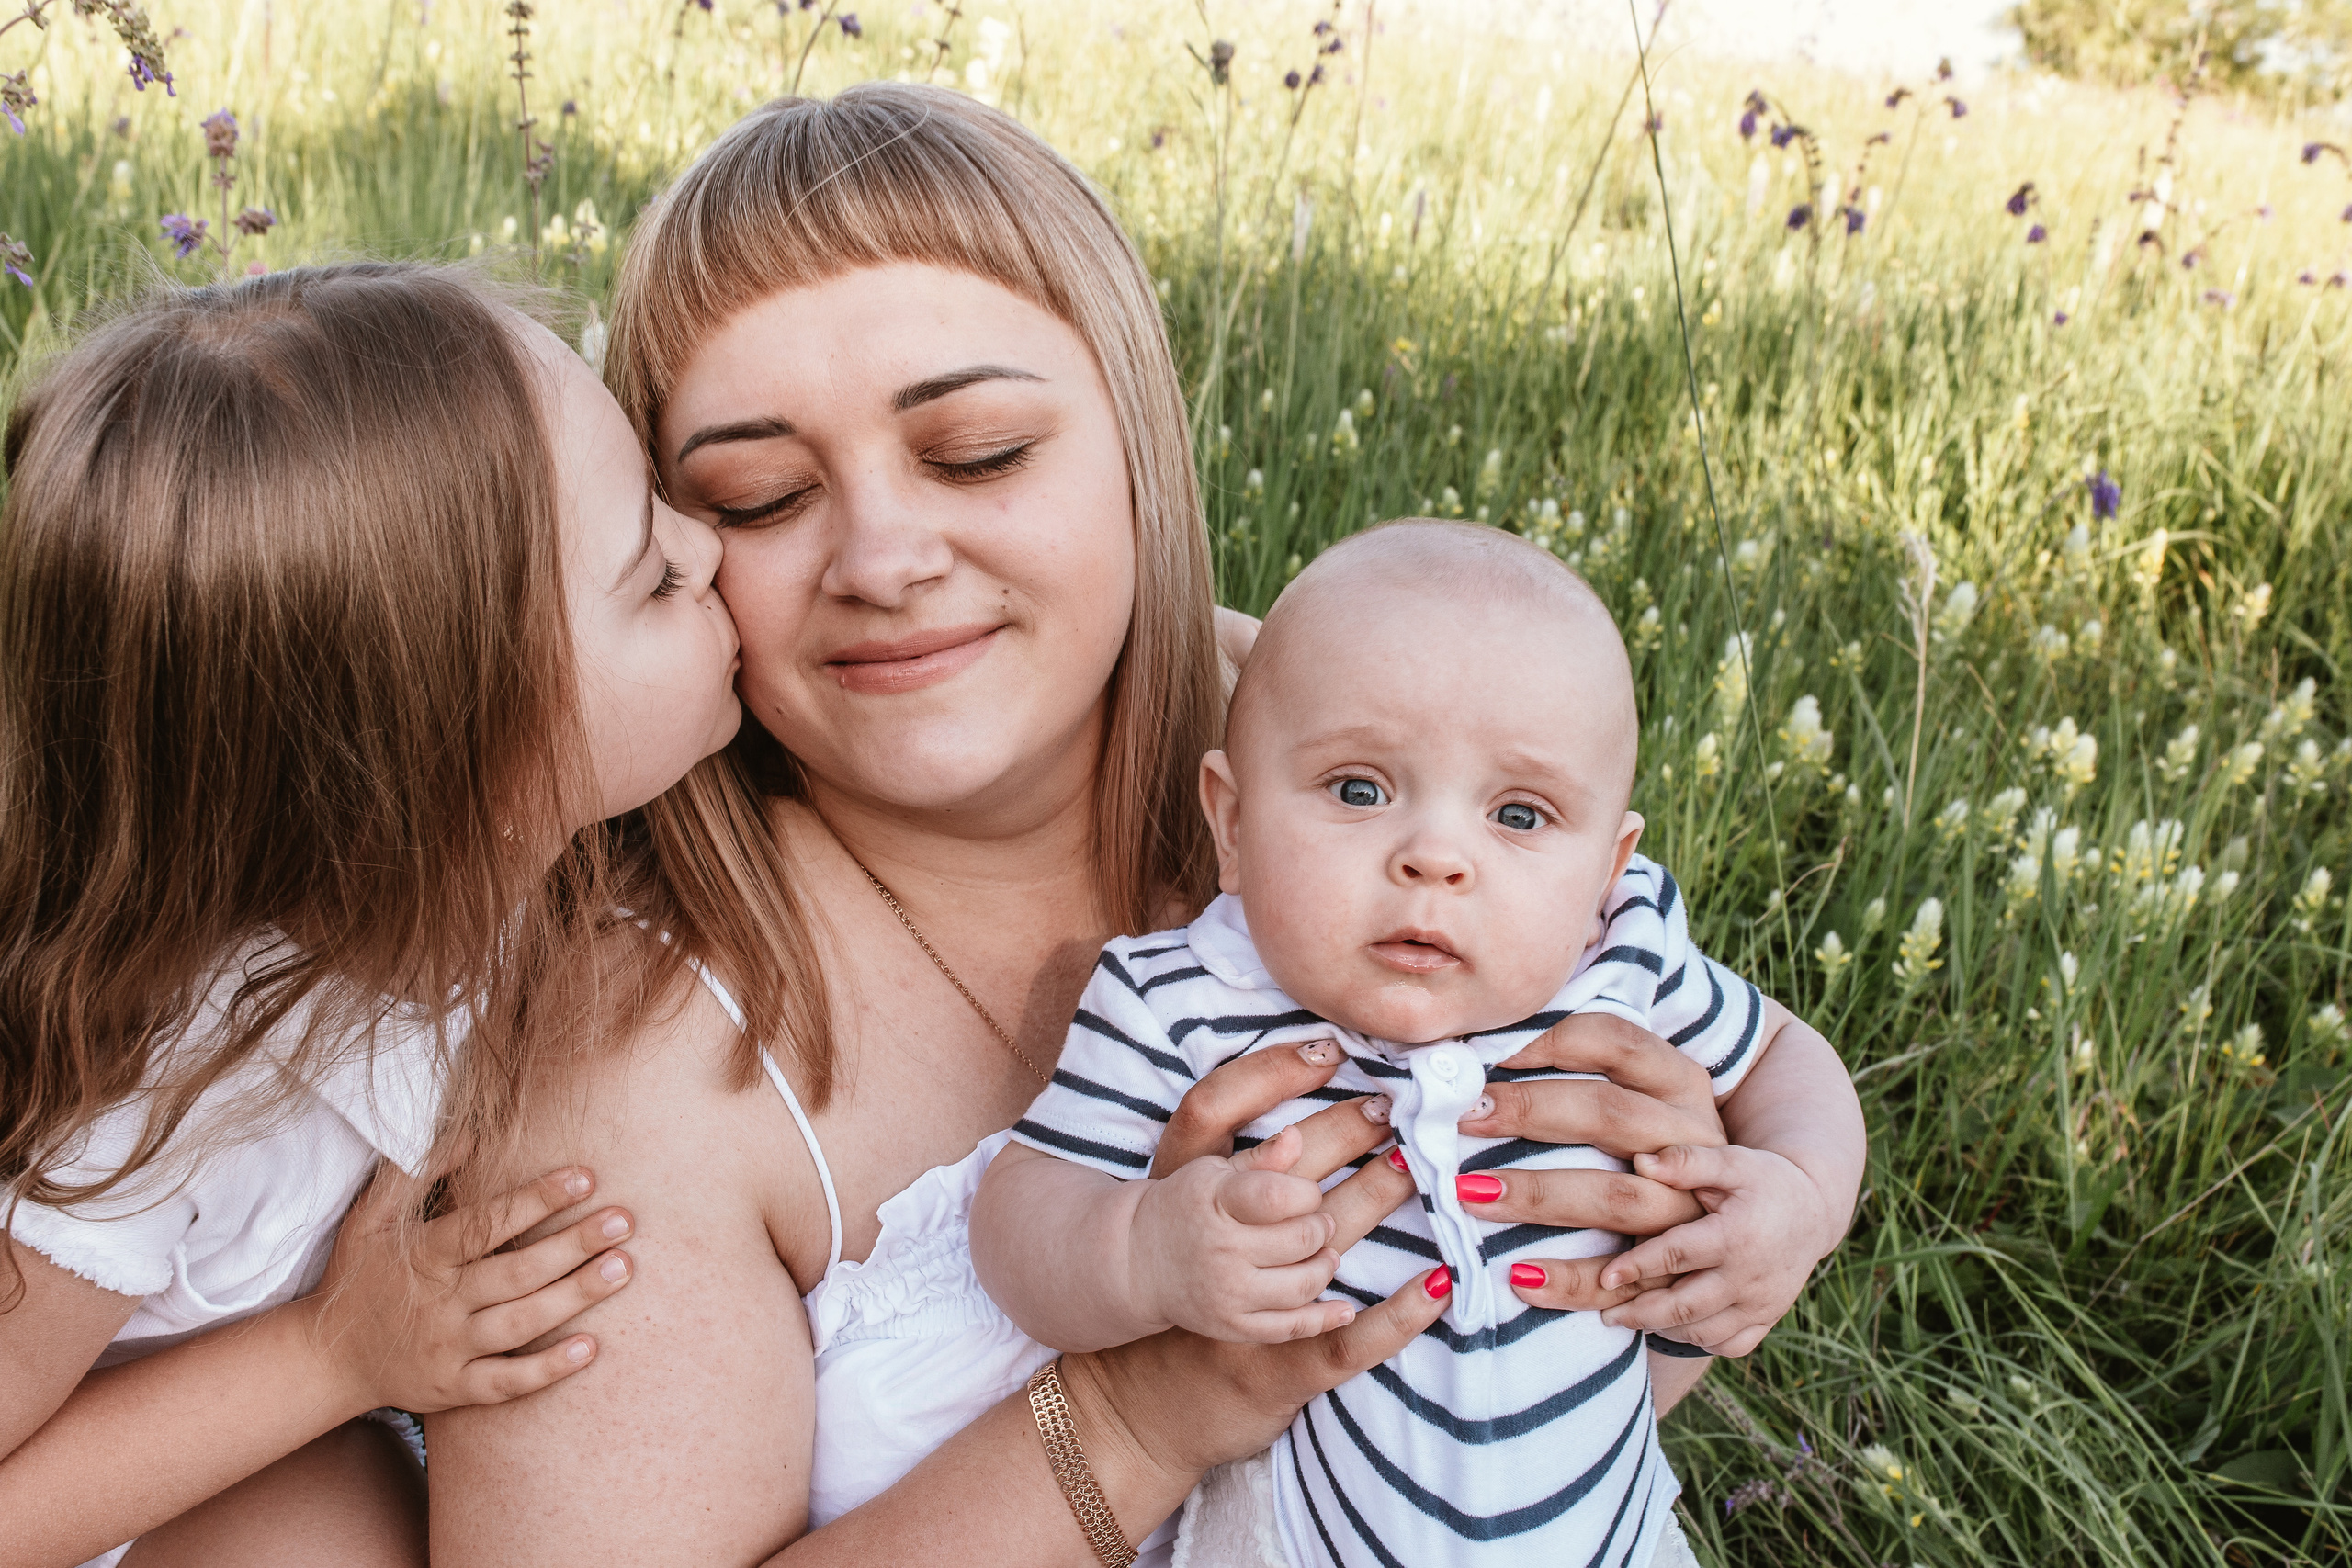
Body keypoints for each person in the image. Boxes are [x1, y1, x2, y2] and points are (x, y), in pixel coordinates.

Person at [426, 84, 1864, 1568]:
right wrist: (1147, 1412)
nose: (883, 558)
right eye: (764, 494)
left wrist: (1696, 1242)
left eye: (977, 451)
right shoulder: (629, 1068)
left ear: (1139, 443)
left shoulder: (1369, 748)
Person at [0, 262, 743, 1567]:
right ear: (466, 751)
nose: (711, 547)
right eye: (651, 578)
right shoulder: (158, 1096)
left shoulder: (488, 860)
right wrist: (332, 1353)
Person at [979, 519, 1791, 1566]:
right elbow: (1021, 1212)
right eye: (1359, 789)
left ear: (1606, 864)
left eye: (1520, 814)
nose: (1435, 856)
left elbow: (1785, 1059)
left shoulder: (1619, 958)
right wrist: (1142, 1252)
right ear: (1233, 824)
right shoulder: (1183, 999)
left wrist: (1802, 1197)